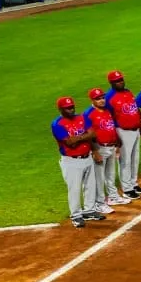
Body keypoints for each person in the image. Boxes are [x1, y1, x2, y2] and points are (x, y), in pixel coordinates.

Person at [50, 97, 103, 228]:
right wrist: (85, 136)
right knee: (74, 189)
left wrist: (79, 138)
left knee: (90, 185)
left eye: (72, 106)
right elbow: (69, 143)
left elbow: (93, 134)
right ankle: (76, 215)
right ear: (61, 109)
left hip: (87, 157)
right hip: (71, 161)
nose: (71, 109)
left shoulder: (82, 118)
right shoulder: (58, 124)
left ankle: (89, 210)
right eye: (68, 108)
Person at [105, 70, 141, 199]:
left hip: (135, 130)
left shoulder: (128, 92)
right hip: (122, 131)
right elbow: (108, 118)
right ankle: (127, 189)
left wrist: (140, 124)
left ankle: (133, 183)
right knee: (125, 161)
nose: (120, 82)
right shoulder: (109, 98)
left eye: (121, 79)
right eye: (117, 81)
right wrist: (115, 136)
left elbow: (134, 109)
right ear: (111, 83)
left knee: (135, 159)